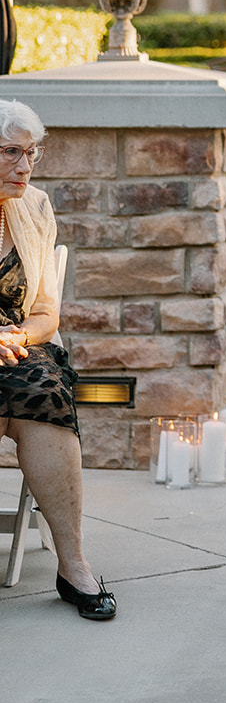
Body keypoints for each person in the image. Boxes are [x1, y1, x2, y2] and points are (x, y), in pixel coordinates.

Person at [0, 99, 115, 620]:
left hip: (20, 349)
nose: (25, 166)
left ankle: (74, 566)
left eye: (32, 153)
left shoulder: (35, 205)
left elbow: (47, 309)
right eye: (10, 153)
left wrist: (18, 336)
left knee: (45, 392)